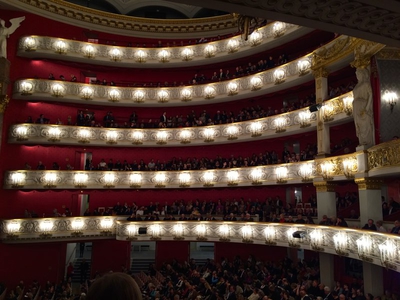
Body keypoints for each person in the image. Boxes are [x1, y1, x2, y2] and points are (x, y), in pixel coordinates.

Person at [352, 68, 375, 147]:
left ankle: (368, 143)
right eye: (356, 74)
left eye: (358, 74)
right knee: (359, 126)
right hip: (356, 108)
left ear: (362, 74)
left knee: (365, 124)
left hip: (363, 106)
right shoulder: (356, 86)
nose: (357, 76)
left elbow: (370, 95)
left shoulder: (366, 84)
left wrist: (367, 108)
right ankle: (362, 142)